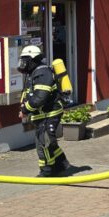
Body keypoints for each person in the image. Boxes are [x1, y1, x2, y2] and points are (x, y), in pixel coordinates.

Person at [18, 45, 73, 177]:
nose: (22, 64)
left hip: (49, 113)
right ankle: (62, 163)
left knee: (44, 142)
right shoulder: (35, 73)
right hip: (43, 114)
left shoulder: (42, 73)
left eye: (24, 61)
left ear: (32, 60)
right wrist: (23, 107)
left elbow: (39, 98)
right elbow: (29, 94)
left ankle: (47, 170)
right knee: (48, 141)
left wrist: (25, 110)